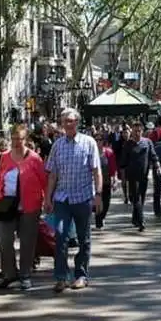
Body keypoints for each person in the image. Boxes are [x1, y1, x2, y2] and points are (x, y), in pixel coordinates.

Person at [44, 107, 102, 292]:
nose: (68, 124)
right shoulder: (57, 145)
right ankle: (61, 277)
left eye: (71, 121)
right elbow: (52, 174)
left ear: (77, 122)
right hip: (62, 198)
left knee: (84, 238)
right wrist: (48, 197)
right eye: (65, 121)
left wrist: (98, 194)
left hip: (83, 198)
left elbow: (96, 170)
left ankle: (81, 275)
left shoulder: (89, 143)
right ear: (61, 124)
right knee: (60, 235)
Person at [0, 123, 47, 291]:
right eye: (13, 139)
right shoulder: (5, 157)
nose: (16, 142)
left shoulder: (35, 159)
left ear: (26, 139)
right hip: (7, 206)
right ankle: (10, 274)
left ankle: (25, 275)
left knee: (27, 243)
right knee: (5, 241)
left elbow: (44, 181)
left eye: (19, 139)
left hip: (30, 206)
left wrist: (48, 201)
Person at [118, 121, 161, 232]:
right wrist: (122, 178)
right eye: (135, 131)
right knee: (136, 198)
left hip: (144, 175)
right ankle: (141, 221)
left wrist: (157, 166)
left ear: (142, 131)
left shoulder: (147, 142)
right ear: (132, 131)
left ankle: (135, 218)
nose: (137, 133)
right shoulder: (128, 144)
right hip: (132, 176)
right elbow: (123, 162)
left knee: (141, 197)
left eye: (139, 131)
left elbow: (153, 155)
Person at [96, 133, 117, 230]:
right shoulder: (91, 153)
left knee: (106, 203)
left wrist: (114, 179)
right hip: (95, 183)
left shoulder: (109, 152)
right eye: (96, 139)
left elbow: (113, 168)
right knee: (98, 202)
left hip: (107, 181)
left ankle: (102, 216)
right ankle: (98, 222)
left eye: (100, 140)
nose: (98, 141)